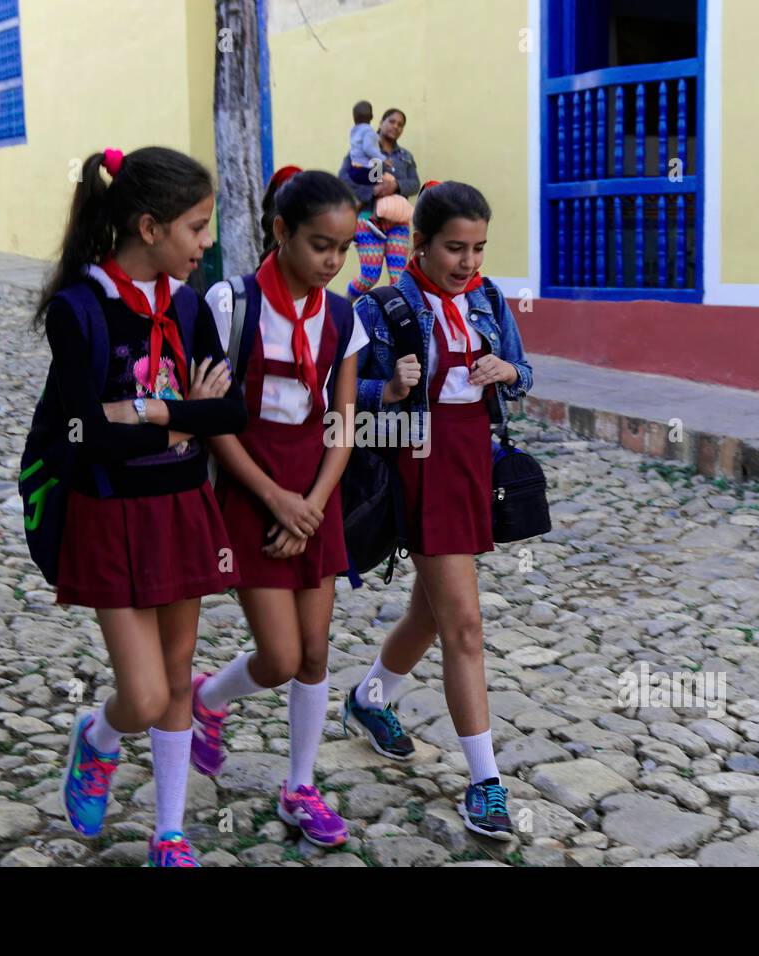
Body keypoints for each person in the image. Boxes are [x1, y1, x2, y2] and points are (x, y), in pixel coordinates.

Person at [32, 145, 247, 867]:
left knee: (180, 673)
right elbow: (83, 433)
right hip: (108, 512)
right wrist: (182, 415)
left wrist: (151, 413)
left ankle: (170, 832)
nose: (207, 241)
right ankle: (96, 738)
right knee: (147, 694)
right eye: (196, 226)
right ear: (150, 227)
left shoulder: (188, 305)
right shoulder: (80, 309)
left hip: (180, 508)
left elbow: (231, 414)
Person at [349, 181, 533, 839]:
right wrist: (387, 387)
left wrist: (506, 374)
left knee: (429, 613)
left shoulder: (486, 298)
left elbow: (526, 370)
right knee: (466, 626)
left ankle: (369, 700)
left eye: (479, 248)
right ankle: (485, 783)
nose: (468, 262)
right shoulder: (382, 308)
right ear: (418, 244)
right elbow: (337, 394)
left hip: (471, 465)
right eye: (455, 248)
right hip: (417, 466)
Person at [193, 169, 364, 848]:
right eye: (320, 244)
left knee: (316, 652)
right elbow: (212, 420)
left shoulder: (343, 317)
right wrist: (274, 499)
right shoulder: (230, 304)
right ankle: (208, 699)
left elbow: (343, 423)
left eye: (343, 249)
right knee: (280, 655)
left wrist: (314, 505)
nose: (332, 261)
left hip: (316, 493)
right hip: (250, 491)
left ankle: (300, 788)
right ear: (281, 231)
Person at [340, 108, 420, 299]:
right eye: (392, 121)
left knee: (399, 279)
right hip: (368, 220)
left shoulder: (405, 156)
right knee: (369, 276)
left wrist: (396, 185)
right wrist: (371, 191)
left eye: (400, 125)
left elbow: (415, 183)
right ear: (381, 122)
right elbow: (344, 179)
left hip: (397, 222)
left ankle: (395, 320)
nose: (396, 127)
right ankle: (343, 307)